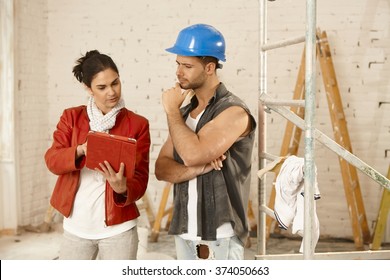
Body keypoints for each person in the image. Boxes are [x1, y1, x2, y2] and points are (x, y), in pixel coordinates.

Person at [155, 24, 256, 260]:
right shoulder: (185, 113)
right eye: (178, 64)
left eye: (187, 66)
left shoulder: (233, 111)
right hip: (185, 229)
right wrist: (198, 169)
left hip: (220, 235)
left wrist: (171, 111)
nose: (179, 72)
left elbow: (192, 153)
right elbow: (161, 169)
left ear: (210, 67)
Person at [45, 50, 150, 260]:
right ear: (88, 89)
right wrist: (81, 150)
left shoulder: (138, 124)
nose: (111, 92)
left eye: (115, 83)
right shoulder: (71, 118)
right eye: (102, 87)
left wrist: (123, 189)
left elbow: (141, 178)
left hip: (118, 229)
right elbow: (52, 160)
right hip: (76, 227)